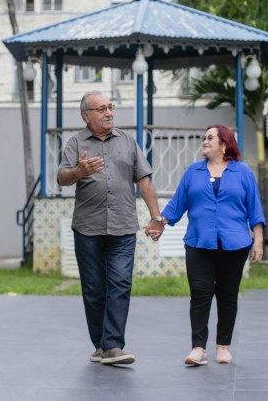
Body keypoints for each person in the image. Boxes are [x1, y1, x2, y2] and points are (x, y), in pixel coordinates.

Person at [57, 91, 164, 365]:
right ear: (86, 116)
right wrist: (79, 172)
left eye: (110, 107)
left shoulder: (128, 141)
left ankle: (113, 345)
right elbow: (62, 177)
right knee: (93, 288)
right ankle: (101, 345)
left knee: (120, 284)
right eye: (101, 108)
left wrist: (156, 216)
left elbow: (144, 180)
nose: (109, 113)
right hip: (87, 227)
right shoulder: (75, 142)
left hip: (123, 226)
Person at [148, 125, 265, 366]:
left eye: (210, 137)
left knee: (227, 295)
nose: (205, 141)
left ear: (224, 144)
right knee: (200, 295)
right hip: (199, 243)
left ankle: (223, 347)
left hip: (235, 244)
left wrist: (259, 241)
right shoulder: (193, 171)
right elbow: (177, 204)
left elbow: (255, 209)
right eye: (204, 137)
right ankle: (198, 348)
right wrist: (159, 222)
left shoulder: (242, 172)